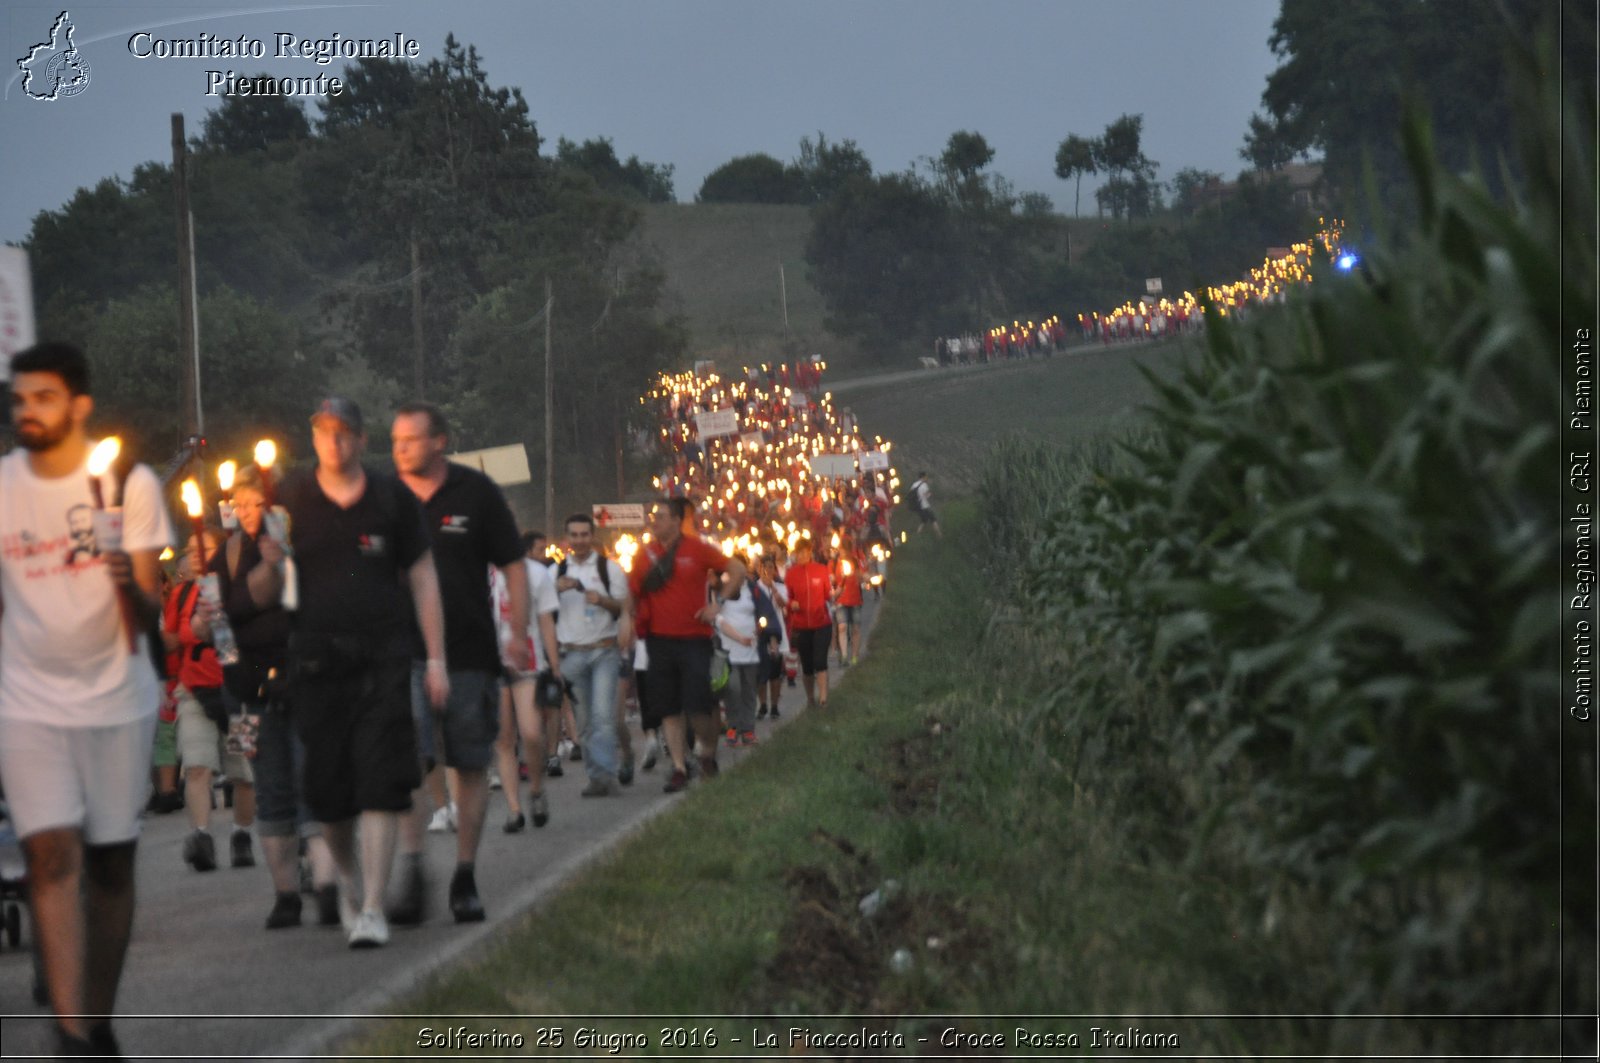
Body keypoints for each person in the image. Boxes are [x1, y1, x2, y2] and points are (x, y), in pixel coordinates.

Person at [0, 342, 175, 1056]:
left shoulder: (127, 481)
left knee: (110, 863)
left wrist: (123, 577)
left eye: (42, 397)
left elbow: (150, 599)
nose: (26, 411)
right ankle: (71, 1036)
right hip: (27, 700)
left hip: (116, 696)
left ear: (78, 403)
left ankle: (95, 1022)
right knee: (49, 854)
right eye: (18, 400)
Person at [274, 396, 449, 949]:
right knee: (329, 796)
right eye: (324, 431)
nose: (334, 441)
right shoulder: (293, 498)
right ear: (313, 437)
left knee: (378, 781)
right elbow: (269, 583)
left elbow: (423, 579)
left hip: (382, 658)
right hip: (316, 663)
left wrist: (436, 659)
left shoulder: (390, 497)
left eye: (345, 432)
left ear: (361, 439)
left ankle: (374, 904)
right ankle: (348, 882)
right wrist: (264, 552)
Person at [389, 402, 528, 926]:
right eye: (395, 440)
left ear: (440, 441)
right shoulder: (387, 497)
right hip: (403, 654)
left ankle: (464, 873)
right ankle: (413, 863)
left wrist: (516, 631)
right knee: (407, 763)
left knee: (468, 765)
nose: (401, 448)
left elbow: (512, 562)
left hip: (469, 651)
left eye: (412, 439)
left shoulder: (476, 492)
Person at [208, 464, 338, 930]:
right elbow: (216, 620)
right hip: (245, 693)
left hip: (302, 680)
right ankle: (285, 895)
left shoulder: (296, 545)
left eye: (255, 504)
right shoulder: (222, 556)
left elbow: (301, 598)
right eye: (238, 504)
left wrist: (279, 559)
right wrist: (225, 658)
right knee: (268, 787)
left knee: (312, 779)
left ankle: (326, 885)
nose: (246, 512)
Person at [165, 527, 256, 873]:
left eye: (202, 547)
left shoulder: (242, 585)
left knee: (244, 772)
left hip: (241, 692)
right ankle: (201, 836)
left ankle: (241, 834)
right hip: (193, 690)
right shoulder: (183, 592)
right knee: (197, 765)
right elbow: (175, 636)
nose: (195, 555)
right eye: (190, 548)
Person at [627, 497, 727, 792]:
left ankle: (706, 752)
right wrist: (625, 619)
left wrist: (716, 604)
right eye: (654, 515)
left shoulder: (698, 549)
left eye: (661, 516)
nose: (654, 520)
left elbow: (734, 569)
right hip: (659, 641)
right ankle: (679, 767)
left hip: (695, 640)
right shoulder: (644, 555)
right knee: (669, 709)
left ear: (676, 520)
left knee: (699, 706)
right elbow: (632, 590)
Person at [551, 514, 631, 797]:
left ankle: (607, 774)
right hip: (571, 655)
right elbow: (542, 612)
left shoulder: (610, 569)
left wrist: (602, 600)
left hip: (603, 651)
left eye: (585, 535)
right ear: (567, 538)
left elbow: (623, 609)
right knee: (583, 722)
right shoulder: (557, 571)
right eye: (574, 535)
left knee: (602, 717)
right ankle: (595, 776)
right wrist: (554, 590)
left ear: (591, 536)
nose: (580, 540)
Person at [491, 540, 560, 831]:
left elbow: (546, 621)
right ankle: (514, 809)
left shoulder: (535, 573)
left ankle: (535, 788)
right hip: (492, 663)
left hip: (528, 663)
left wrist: (555, 666)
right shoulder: (482, 573)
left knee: (532, 733)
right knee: (504, 739)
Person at [784, 538, 834, 710]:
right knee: (807, 667)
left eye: (805, 552)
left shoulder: (821, 570)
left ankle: (824, 699)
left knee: (820, 661)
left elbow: (828, 594)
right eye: (799, 553)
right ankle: (811, 699)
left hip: (822, 623)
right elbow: (786, 598)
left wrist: (834, 594)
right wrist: (791, 604)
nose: (802, 555)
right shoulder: (791, 574)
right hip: (801, 626)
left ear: (810, 552)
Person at [909, 471, 942, 539]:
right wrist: (930, 494)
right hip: (925, 506)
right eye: (926, 477)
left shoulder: (914, 484)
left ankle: (917, 535)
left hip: (917, 507)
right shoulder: (924, 485)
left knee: (923, 521)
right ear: (923, 477)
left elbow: (910, 494)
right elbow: (927, 496)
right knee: (933, 520)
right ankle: (939, 536)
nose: (927, 478)